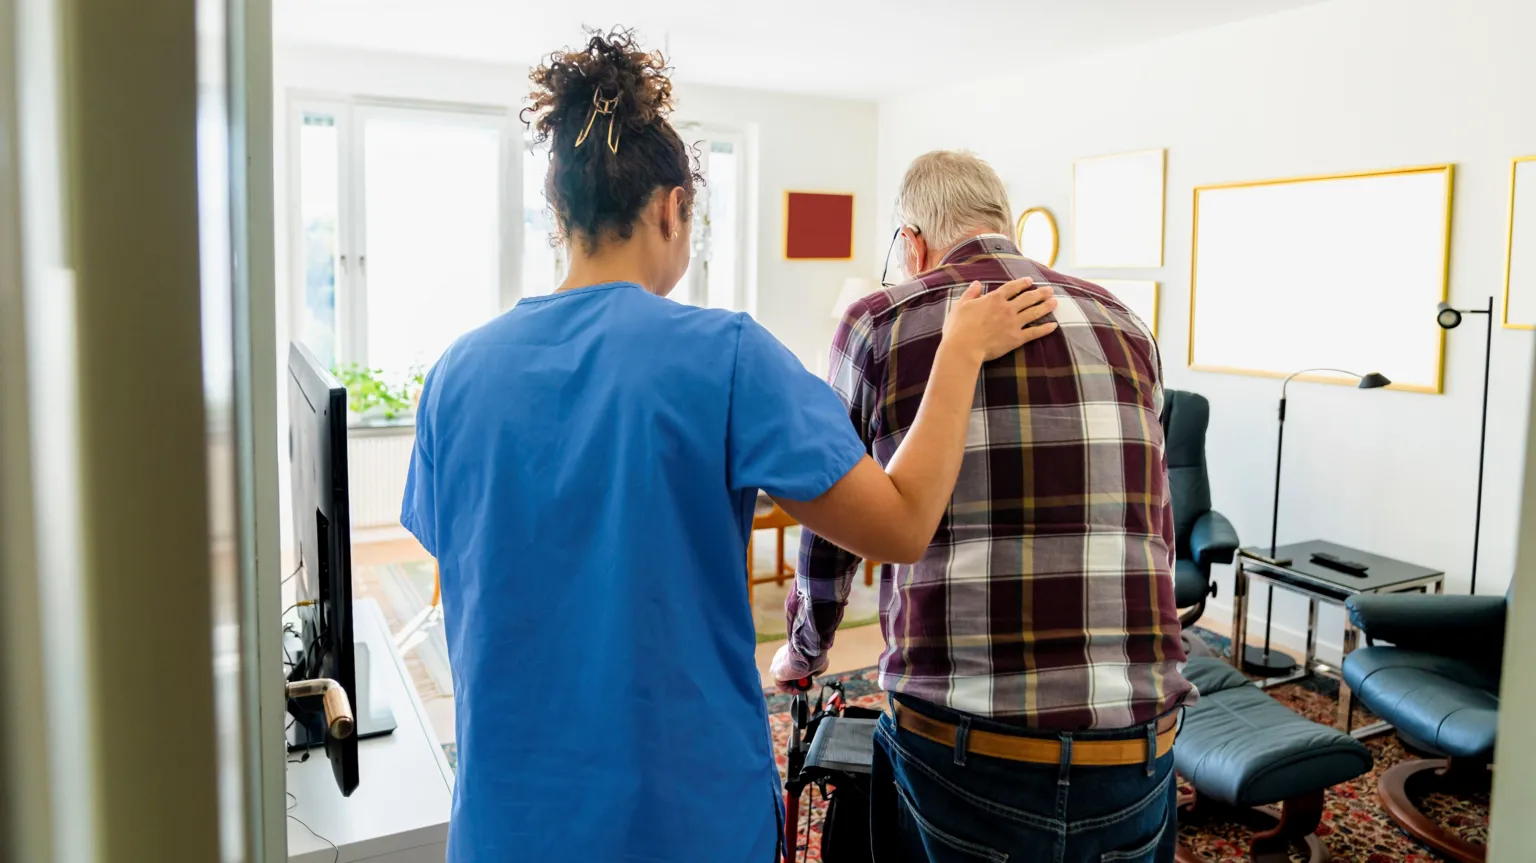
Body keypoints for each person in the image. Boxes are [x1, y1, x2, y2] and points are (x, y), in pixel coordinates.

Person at [398, 34, 1060, 863]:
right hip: (686, 820)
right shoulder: (726, 355)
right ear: (673, 209)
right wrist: (958, 351)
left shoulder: (455, 375)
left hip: (507, 827)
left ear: (559, 216)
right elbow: (900, 527)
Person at [771, 150, 1193, 862]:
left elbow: (833, 522)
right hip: (1138, 740)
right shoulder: (1125, 323)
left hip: (965, 745)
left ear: (911, 243)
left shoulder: (880, 322)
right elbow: (1153, 522)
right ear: (1005, 224)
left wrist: (803, 649)